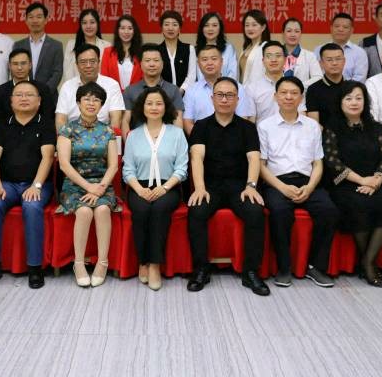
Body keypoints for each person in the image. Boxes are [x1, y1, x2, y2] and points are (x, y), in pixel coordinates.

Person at [186, 77, 269, 296]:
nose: (224, 99)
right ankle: (201, 269)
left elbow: (253, 158)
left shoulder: (247, 128)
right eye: (220, 95)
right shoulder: (201, 126)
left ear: (237, 99)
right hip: (210, 186)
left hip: (239, 186)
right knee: (196, 211)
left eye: (230, 95)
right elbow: (196, 157)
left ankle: (251, 272)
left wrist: (251, 186)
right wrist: (200, 187)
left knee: (255, 212)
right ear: (212, 98)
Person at [259, 76, 339, 288]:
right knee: (279, 212)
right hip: (277, 181)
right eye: (284, 93)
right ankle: (284, 268)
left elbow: (318, 163)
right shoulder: (264, 126)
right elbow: (261, 165)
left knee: (329, 210)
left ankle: (316, 267)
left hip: (307, 181)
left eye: (294, 93)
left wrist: (310, 187)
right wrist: (282, 187)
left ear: (301, 98)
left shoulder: (312, 126)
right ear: (275, 96)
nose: (289, 97)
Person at [0, 81, 56, 289]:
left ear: (39, 101)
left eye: (29, 95)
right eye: (19, 95)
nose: (24, 98)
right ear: (11, 101)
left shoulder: (46, 124)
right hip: (7, 184)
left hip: (38, 184)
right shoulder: (2, 126)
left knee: (32, 206)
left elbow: (48, 157)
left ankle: (35, 267)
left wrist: (36, 185)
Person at [322, 81, 382, 287]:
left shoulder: (376, 127)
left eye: (358, 98)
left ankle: (367, 261)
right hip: (346, 182)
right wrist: (362, 180)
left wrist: (376, 180)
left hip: (376, 182)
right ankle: (369, 264)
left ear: (365, 101)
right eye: (348, 98)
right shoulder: (332, 128)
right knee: (358, 204)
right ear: (340, 102)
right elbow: (333, 161)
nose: (354, 102)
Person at [122, 87, 188, 291]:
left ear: (165, 107)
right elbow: (128, 169)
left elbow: (182, 168)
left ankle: (154, 265)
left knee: (159, 209)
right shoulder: (133, 135)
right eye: (149, 103)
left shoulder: (177, 134)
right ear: (142, 107)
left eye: (159, 103)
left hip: (168, 186)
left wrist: (164, 188)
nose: (154, 107)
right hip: (139, 186)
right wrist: (139, 190)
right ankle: (143, 261)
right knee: (141, 210)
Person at [56, 82, 119, 288]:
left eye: (96, 100)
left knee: (102, 209)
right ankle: (79, 263)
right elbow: (64, 165)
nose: (91, 103)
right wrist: (88, 187)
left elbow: (113, 165)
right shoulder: (67, 129)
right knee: (83, 211)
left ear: (101, 105)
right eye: (87, 99)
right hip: (74, 185)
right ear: (78, 102)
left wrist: (99, 188)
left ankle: (102, 262)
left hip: (102, 184)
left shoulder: (108, 130)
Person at [183, 45, 253, 135]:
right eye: (204, 59)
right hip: (201, 142)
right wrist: (200, 140)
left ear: (222, 61)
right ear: (198, 64)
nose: (209, 63)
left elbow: (243, 120)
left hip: (232, 140)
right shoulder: (191, 91)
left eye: (214, 59)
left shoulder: (238, 88)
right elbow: (188, 122)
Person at [55, 44, 125, 131]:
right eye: (83, 62)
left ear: (99, 62)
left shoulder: (112, 85)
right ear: (76, 64)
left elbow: (116, 120)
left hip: (104, 135)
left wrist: (106, 137)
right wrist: (67, 137)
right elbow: (60, 120)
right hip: (72, 135)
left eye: (92, 61)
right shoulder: (67, 86)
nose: (88, 65)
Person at [121, 44, 184, 137]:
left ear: (162, 64)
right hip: (138, 140)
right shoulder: (130, 90)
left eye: (156, 60)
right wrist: (129, 142)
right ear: (140, 64)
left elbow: (177, 118)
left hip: (167, 140)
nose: (152, 64)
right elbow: (125, 121)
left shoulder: (173, 90)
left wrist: (177, 141)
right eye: (147, 60)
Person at [0, 48, 55, 127]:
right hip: (9, 132)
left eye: (23, 63)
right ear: (9, 66)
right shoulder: (0, 91)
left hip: (37, 131)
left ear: (30, 65)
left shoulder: (43, 89)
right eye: (15, 64)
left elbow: (48, 117)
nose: (19, 68)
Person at [13, 2, 63, 99]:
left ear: (46, 20)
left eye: (39, 17)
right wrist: (26, 92)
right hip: (24, 97)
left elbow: (57, 73)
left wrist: (43, 92)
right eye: (31, 17)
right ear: (26, 20)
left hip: (48, 97)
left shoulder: (56, 46)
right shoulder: (18, 45)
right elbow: (15, 71)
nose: (35, 20)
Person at [245, 40, 302, 123]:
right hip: (262, 131)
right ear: (263, 60)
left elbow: (302, 115)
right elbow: (251, 121)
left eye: (278, 56)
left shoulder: (295, 86)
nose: (273, 60)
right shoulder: (252, 88)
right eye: (269, 56)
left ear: (285, 59)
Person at [313, 13, 369, 82]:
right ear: (331, 28)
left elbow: (359, 79)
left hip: (350, 88)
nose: (340, 29)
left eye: (345, 27)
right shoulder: (318, 50)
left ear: (352, 30)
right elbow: (315, 75)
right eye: (337, 26)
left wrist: (342, 88)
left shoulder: (360, 52)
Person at [63, 8, 110, 82]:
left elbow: (108, 73)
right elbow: (67, 72)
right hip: (77, 87)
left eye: (92, 22)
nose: (88, 26)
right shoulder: (71, 45)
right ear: (80, 25)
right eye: (84, 23)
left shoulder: (107, 46)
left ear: (97, 24)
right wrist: (72, 87)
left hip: (101, 87)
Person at [305, 43, 345, 125]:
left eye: (338, 59)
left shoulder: (354, 87)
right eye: (329, 60)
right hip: (323, 132)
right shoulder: (313, 90)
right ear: (321, 63)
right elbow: (314, 124)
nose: (334, 63)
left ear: (344, 61)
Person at [100, 14, 143, 90]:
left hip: (137, 95)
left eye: (130, 28)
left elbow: (144, 78)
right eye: (122, 28)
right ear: (118, 30)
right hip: (113, 94)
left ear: (134, 31)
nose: (126, 32)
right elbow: (104, 78)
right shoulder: (108, 52)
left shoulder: (142, 53)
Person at [158, 10, 196, 94]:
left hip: (186, 95)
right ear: (162, 28)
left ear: (179, 29)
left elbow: (191, 76)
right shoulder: (156, 51)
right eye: (166, 24)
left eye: (174, 24)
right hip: (162, 95)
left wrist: (181, 91)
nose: (170, 28)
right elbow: (156, 75)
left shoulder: (189, 49)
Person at [195, 12, 238, 80]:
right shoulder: (195, 50)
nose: (210, 29)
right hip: (202, 86)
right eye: (206, 25)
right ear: (202, 28)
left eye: (214, 25)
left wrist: (222, 85)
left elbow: (232, 74)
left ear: (220, 28)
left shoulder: (229, 49)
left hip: (225, 86)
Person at [280, 17, 322, 85]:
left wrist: (299, 87)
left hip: (302, 91)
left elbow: (318, 77)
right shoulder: (276, 54)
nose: (293, 35)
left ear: (301, 33)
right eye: (289, 31)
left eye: (297, 31)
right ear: (283, 33)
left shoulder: (310, 56)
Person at [239, 9, 271, 85]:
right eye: (247, 25)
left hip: (258, 90)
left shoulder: (266, 48)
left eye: (254, 25)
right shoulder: (246, 48)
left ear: (263, 27)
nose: (250, 28)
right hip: (242, 90)